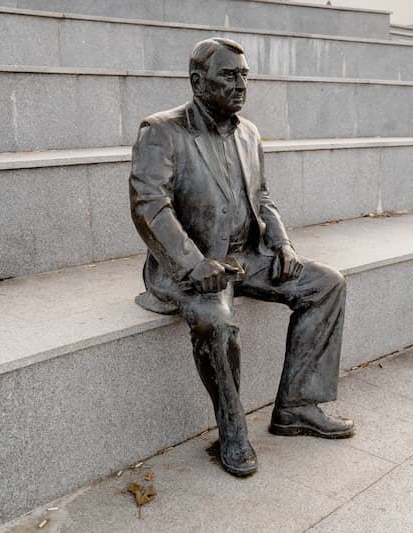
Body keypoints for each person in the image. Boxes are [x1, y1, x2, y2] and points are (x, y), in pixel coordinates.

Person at [129, 38, 353, 477]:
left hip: (247, 256)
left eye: (244, 75)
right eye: (229, 76)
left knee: (327, 283)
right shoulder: (161, 131)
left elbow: (261, 196)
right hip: (192, 267)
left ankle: (297, 406)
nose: (241, 85)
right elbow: (149, 206)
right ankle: (232, 431)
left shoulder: (248, 132)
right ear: (198, 81)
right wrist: (193, 264)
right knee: (215, 321)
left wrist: (282, 244)